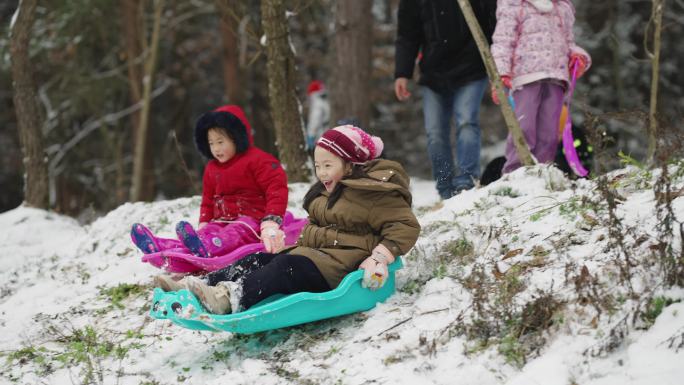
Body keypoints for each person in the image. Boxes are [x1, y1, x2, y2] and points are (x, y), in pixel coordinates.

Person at [154, 125, 421, 314]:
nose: (321, 173)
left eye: (328, 165)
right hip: (316, 256)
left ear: (351, 163)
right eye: (318, 166)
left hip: (341, 267)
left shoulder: (373, 193)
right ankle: (198, 286)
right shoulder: (327, 192)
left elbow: (405, 225)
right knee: (257, 259)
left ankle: (226, 299)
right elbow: (317, 225)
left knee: (283, 269)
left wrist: (379, 256)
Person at [130, 105, 289, 260]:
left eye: (220, 142)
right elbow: (207, 200)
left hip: (251, 220)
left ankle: (206, 247)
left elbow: (276, 190)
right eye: (211, 143)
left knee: (234, 232)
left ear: (236, 138)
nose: (216, 149)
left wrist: (271, 221)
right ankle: (162, 246)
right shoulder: (212, 168)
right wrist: (204, 223)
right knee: (208, 232)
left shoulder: (259, 160)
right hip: (221, 220)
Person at [394, 0, 497, 199]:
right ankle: (445, 187)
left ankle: (466, 183)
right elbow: (407, 35)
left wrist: (497, 66)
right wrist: (402, 72)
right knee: (435, 134)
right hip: (433, 73)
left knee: (467, 123)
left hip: (471, 68)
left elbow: (493, 23)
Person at [490, 0, 591, 173]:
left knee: (549, 133)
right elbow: (503, 42)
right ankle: (515, 172)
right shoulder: (514, 5)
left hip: (556, 77)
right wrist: (500, 74)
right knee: (524, 127)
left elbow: (568, 41)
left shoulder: (562, 7)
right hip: (526, 77)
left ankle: (542, 172)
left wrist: (576, 54)